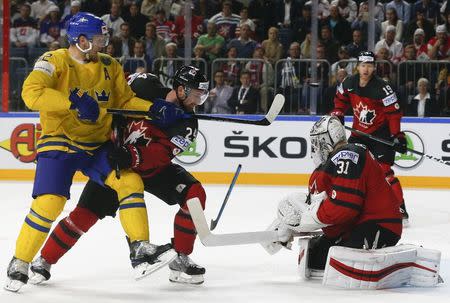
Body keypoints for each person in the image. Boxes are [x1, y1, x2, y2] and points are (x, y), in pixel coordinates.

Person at [5, 12, 184, 293]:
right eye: (100, 38)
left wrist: (153, 108)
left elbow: (124, 99)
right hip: (60, 141)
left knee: (129, 181)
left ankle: (141, 249)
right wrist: (71, 103)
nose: (105, 43)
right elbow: (31, 93)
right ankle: (20, 261)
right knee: (49, 203)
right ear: (82, 39)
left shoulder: (109, 65)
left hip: (97, 144)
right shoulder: (53, 61)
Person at [28, 66, 210, 285]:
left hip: (150, 170)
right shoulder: (146, 86)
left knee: (194, 194)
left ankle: (180, 257)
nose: (199, 102)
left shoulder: (188, 123)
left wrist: (131, 154)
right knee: (81, 217)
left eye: (203, 96)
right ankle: (44, 260)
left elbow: (160, 156)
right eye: (197, 95)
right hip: (116, 167)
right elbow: (115, 84)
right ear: (181, 90)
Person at [265, 115, 402, 273]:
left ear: (325, 140)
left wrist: (302, 221)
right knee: (313, 258)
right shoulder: (333, 164)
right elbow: (332, 215)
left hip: (379, 225)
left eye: (316, 143)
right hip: (356, 225)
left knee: (340, 264)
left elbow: (344, 207)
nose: (315, 149)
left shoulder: (348, 155)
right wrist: (292, 226)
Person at [330, 51, 409, 223]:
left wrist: (397, 136)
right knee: (349, 166)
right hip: (359, 134)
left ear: (374, 67)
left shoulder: (383, 88)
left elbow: (394, 114)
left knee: (385, 173)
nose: (366, 69)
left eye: (370, 65)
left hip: (381, 136)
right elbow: (340, 101)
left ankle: (400, 208)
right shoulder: (349, 82)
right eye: (363, 65)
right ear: (357, 66)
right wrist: (338, 115)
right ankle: (350, 205)